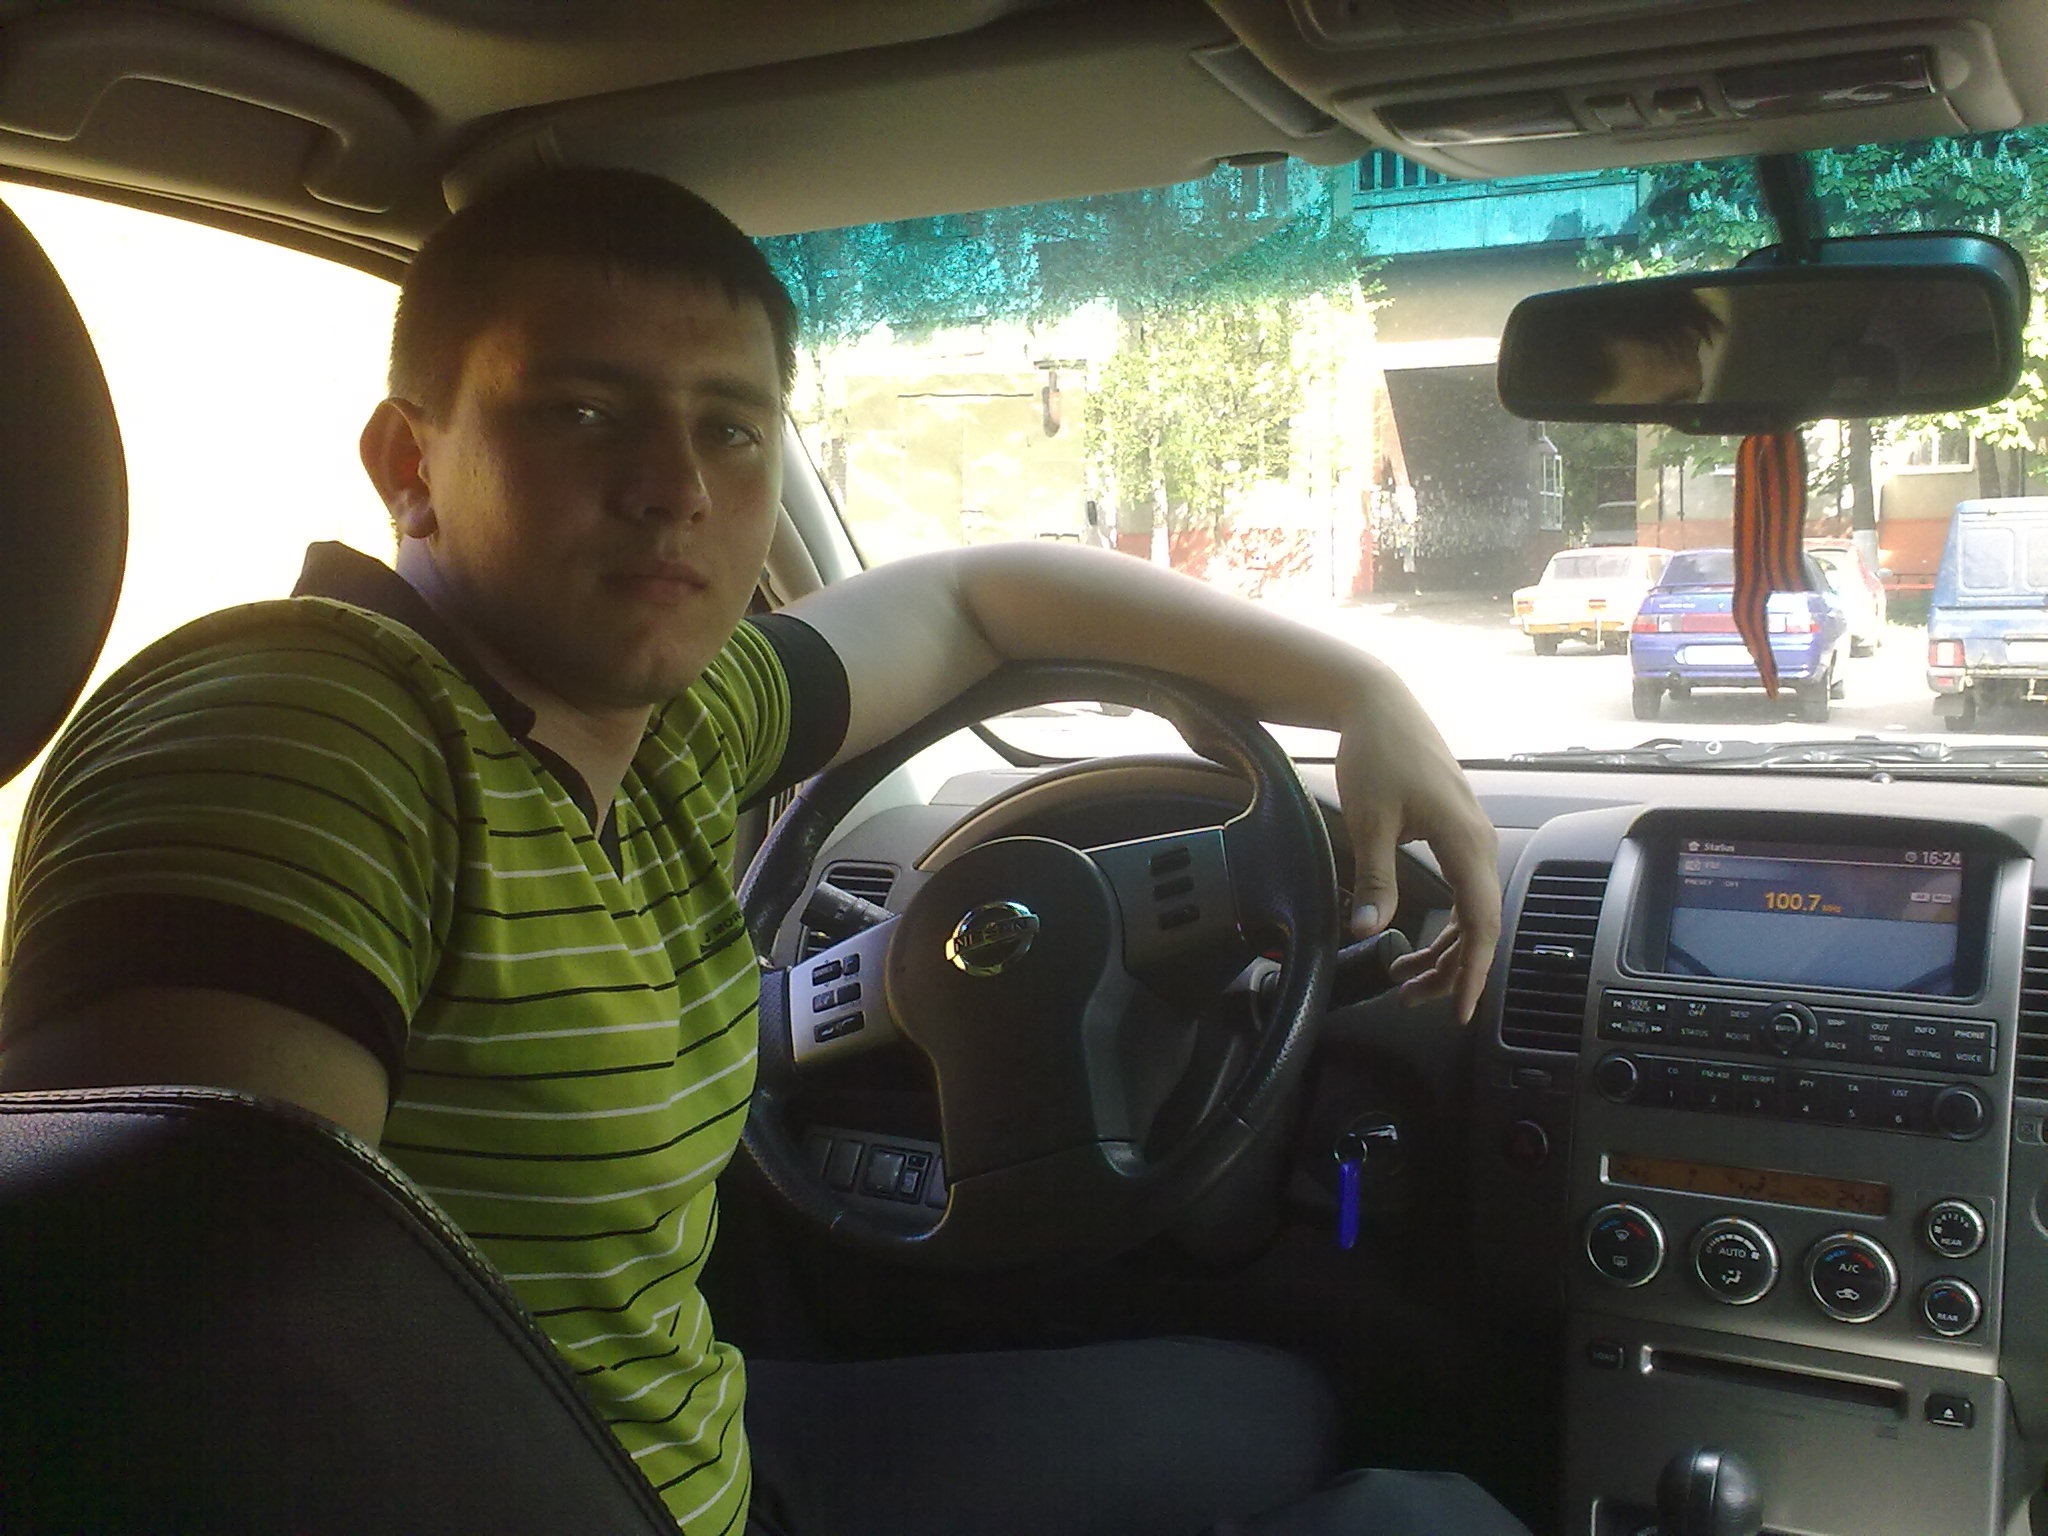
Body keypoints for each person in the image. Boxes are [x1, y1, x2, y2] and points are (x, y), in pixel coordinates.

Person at [0, 168, 1517, 1536]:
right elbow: (198, 1395)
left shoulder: (672, 725)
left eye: (730, 428)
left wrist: (1360, 691)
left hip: (701, 1456)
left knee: (1293, 1407)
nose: (678, 486)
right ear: (411, 462)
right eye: (581, 412)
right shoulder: (300, 731)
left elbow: (975, 598)